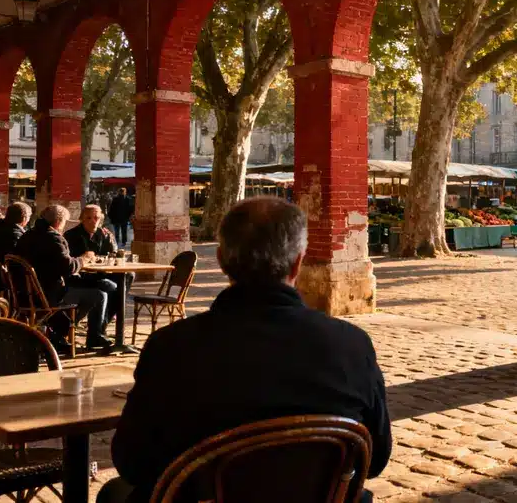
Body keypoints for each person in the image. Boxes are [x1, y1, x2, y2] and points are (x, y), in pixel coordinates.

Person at [100, 198, 392, 503]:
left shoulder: (171, 346)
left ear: (222, 259)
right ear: (298, 263)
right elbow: (375, 458)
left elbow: (132, 462)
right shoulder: (352, 345)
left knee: (114, 493)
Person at [14, 205, 111, 352]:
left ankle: (60, 331)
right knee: (99, 294)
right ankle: (77, 333)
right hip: (47, 295)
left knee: (98, 287)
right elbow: (68, 267)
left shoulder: (28, 235)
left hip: (24, 293)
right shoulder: (53, 238)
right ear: (59, 222)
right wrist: (84, 258)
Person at [63, 205, 120, 324]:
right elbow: (69, 262)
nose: (93, 221)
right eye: (89, 218)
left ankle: (105, 320)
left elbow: (114, 255)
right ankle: (98, 326)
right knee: (110, 286)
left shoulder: (105, 235)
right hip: (80, 277)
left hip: (101, 273)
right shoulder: (71, 235)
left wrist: (111, 244)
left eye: (96, 218)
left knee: (128, 276)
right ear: (82, 219)